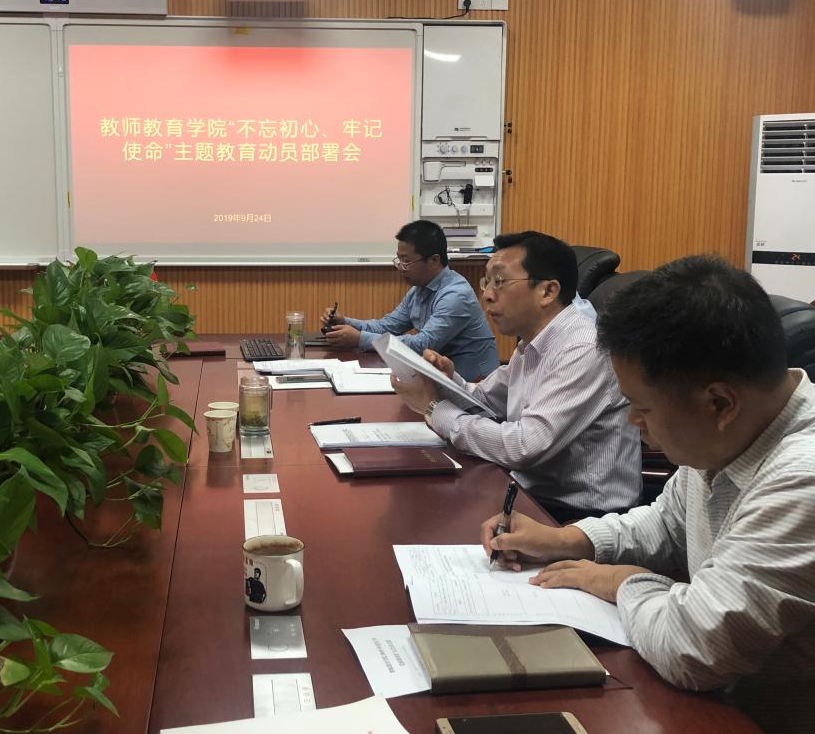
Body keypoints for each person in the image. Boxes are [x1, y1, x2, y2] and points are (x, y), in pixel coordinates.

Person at [480, 255, 815, 734]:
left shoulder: (802, 478)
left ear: (720, 402)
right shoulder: (731, 432)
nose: (631, 422)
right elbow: (666, 523)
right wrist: (569, 540)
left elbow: (695, 649)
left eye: (642, 408)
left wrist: (621, 581)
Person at [393, 230, 641, 519]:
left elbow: (523, 446)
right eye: (487, 282)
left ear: (548, 291)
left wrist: (434, 409)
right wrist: (445, 380)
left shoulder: (582, 349)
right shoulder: (532, 342)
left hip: (578, 516)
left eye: (499, 281)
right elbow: (485, 400)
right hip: (527, 492)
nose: (487, 294)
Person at [321, 220, 498, 381]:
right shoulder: (418, 290)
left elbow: (422, 345)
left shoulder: (456, 295)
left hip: (476, 385)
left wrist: (360, 339)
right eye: (399, 260)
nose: (401, 268)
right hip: (442, 378)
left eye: (406, 261)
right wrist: (346, 322)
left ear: (434, 260)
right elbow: (387, 326)